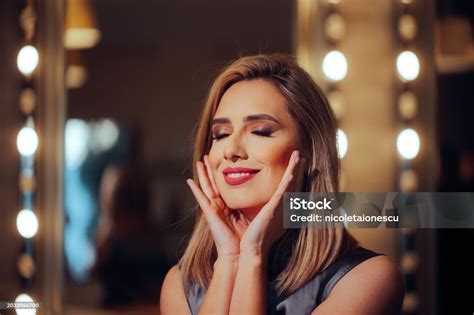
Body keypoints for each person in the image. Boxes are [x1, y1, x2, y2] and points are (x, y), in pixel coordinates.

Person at [160, 54, 404, 314]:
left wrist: (253, 255)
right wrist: (230, 259)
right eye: (220, 135)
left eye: (260, 131)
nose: (231, 150)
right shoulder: (180, 285)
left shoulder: (368, 279)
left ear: (310, 152)